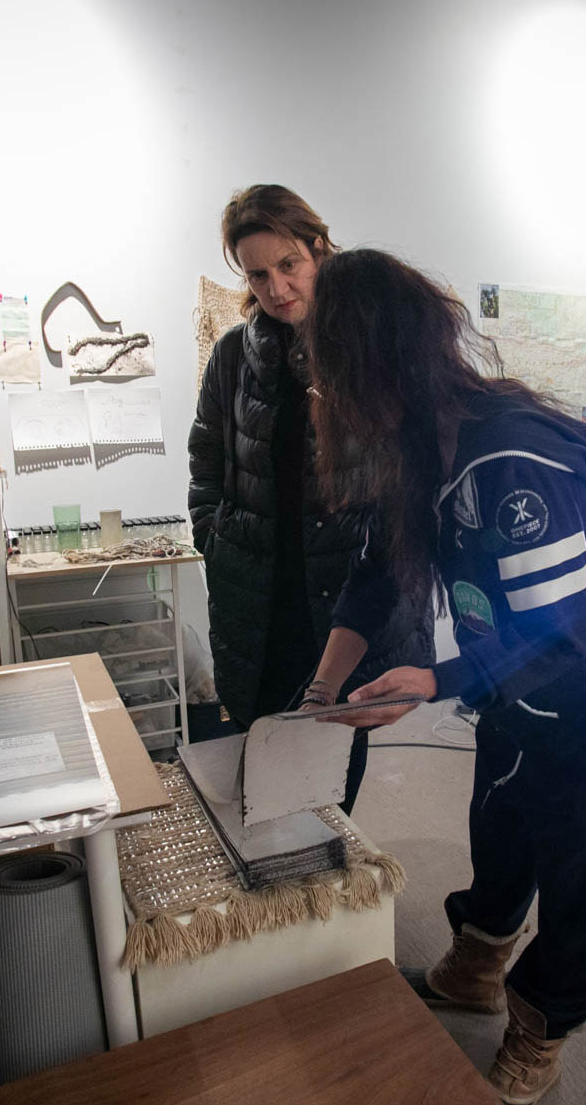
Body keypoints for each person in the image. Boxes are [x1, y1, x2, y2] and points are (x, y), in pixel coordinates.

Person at [305, 249, 586, 1104]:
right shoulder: (423, 440)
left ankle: (543, 1023)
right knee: (502, 821)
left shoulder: (509, 465)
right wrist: (324, 686)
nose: (327, 397)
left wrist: (432, 681)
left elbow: (558, 637)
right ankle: (478, 963)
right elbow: (381, 573)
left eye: (334, 372)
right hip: (508, 686)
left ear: (378, 362)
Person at [186, 186, 431, 814]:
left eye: (288, 265)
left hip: (351, 586)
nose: (276, 288)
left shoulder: (365, 354)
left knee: (338, 743)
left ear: (319, 250)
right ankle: (276, 875)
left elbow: (404, 475)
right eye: (258, 274)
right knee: (261, 735)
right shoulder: (232, 357)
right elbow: (206, 456)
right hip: (260, 592)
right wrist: (212, 535)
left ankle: (324, 871)